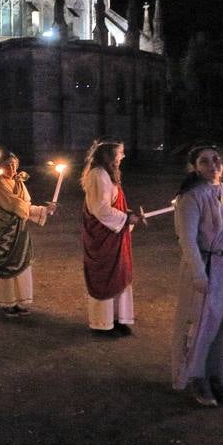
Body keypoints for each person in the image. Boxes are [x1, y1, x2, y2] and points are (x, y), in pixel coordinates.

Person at [172, 144, 223, 407]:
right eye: (205, 161)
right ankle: (198, 377)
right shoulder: (191, 198)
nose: (213, 165)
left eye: (216, 159)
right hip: (210, 266)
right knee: (205, 323)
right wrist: (198, 274)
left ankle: (219, 376)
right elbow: (188, 240)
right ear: (194, 168)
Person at [80, 140, 143, 335]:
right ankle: (102, 323)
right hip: (104, 236)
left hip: (114, 234)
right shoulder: (98, 175)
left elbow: (110, 203)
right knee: (106, 275)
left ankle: (117, 319)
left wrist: (127, 213)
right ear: (109, 156)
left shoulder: (106, 175)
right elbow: (100, 209)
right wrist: (126, 219)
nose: (122, 157)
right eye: (119, 153)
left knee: (118, 273)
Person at [0, 152, 55, 316]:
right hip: (5, 232)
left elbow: (25, 205)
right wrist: (31, 209)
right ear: (0, 167)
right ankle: (7, 301)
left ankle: (21, 300)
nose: (11, 168)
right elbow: (15, 205)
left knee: (23, 264)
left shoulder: (19, 182)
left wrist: (45, 210)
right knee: (7, 264)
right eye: (7, 165)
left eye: (14, 164)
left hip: (21, 231)